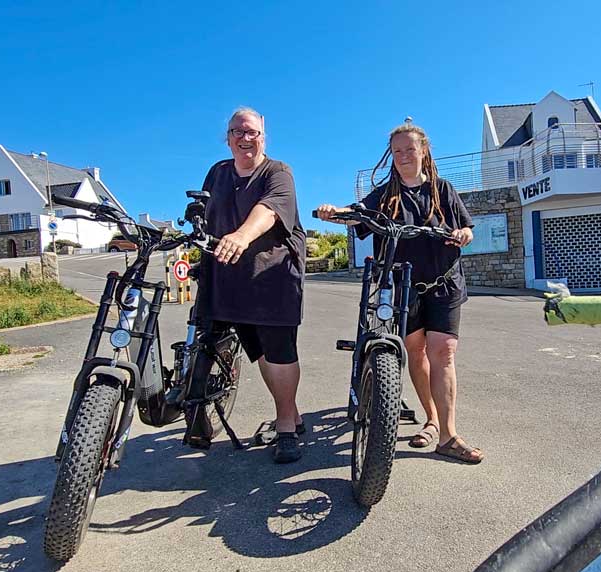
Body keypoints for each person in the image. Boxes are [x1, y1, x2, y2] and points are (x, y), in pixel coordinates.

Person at [316, 121, 484, 464]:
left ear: (423, 151)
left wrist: (465, 234)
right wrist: (333, 213)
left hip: (444, 282)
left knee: (444, 351)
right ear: (391, 157)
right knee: (415, 351)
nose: (404, 156)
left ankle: (449, 435)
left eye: (410, 149)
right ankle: (432, 419)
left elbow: (466, 226)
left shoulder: (443, 190)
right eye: (397, 151)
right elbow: (356, 215)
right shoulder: (384, 195)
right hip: (402, 285)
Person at [193, 107, 307, 463]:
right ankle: (292, 413)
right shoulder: (217, 173)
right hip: (230, 277)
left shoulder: (278, 172)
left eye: (252, 132)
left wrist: (241, 235)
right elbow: (203, 211)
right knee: (258, 352)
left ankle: (287, 426)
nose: (245, 138)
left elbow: (269, 210)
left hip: (272, 276)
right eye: (237, 132)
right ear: (227, 138)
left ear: (263, 136)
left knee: (279, 352)